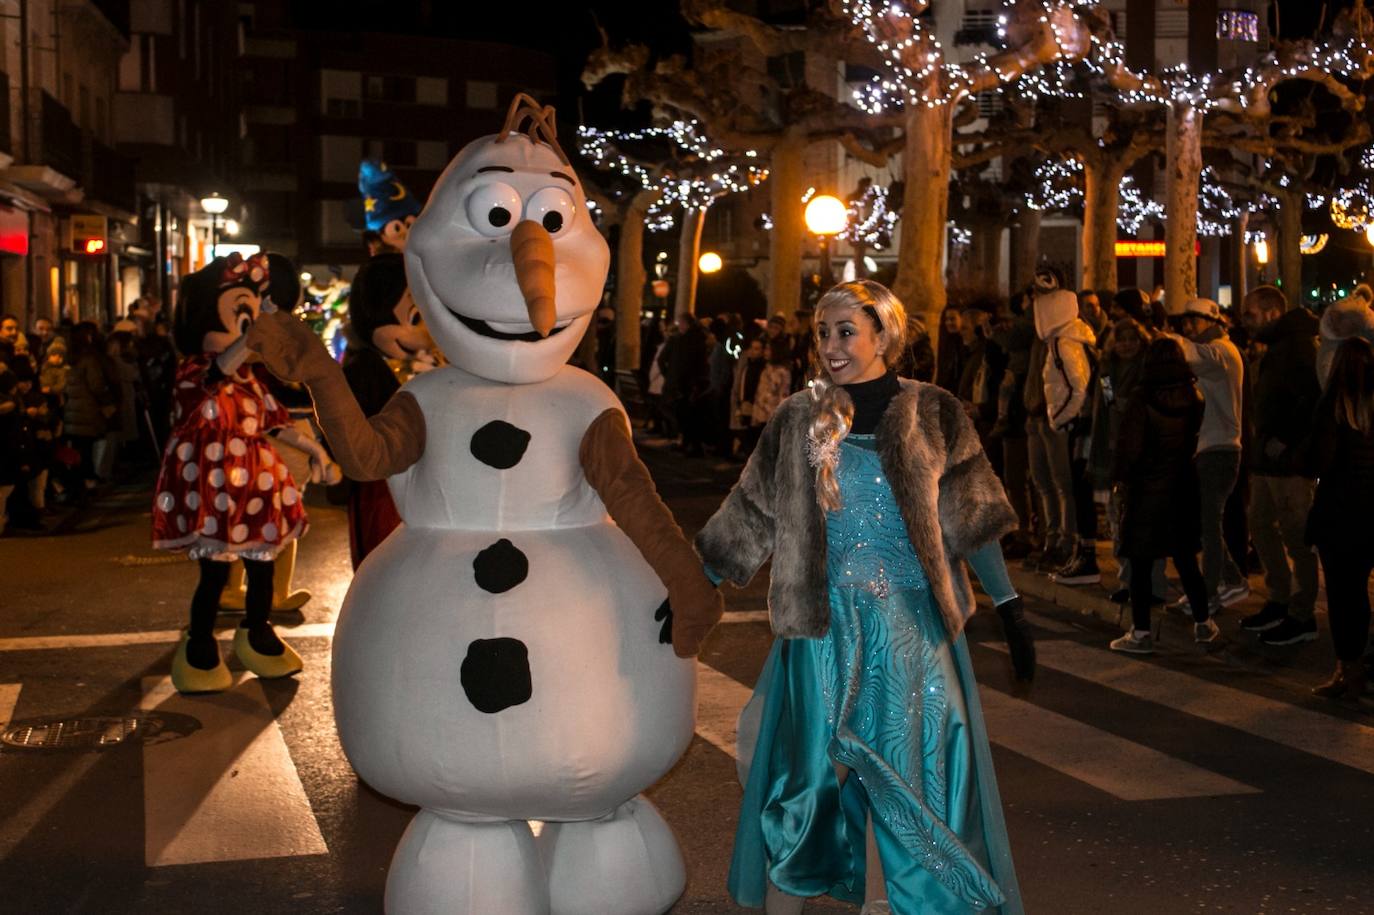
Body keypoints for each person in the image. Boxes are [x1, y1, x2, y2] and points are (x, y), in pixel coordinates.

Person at [697, 279, 1030, 915]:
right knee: (804, 791)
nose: (830, 346)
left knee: (923, 787)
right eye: (823, 333)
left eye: (845, 331)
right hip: (822, 631)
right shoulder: (800, 415)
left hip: (912, 631)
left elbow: (972, 513)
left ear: (885, 336)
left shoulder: (935, 412)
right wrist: (700, 582)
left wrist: (1009, 604)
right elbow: (752, 510)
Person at [153, 253, 330, 694]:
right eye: (238, 314)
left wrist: (315, 452)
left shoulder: (250, 382)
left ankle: (257, 632)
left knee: (262, 568)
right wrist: (254, 335)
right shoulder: (193, 371)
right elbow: (217, 370)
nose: (246, 327)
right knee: (213, 574)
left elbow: (276, 424)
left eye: (248, 314)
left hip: (256, 485)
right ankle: (198, 643)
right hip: (213, 488)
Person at [1108, 337, 1216, 654]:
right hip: (1182, 486)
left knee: (1141, 564)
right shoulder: (1193, 397)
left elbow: (1130, 448)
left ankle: (1140, 632)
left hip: (1147, 489)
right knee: (1186, 560)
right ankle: (1204, 623)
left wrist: (1120, 479)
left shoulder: (1143, 399)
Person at [1235, 286, 1321, 644]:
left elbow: (1311, 400)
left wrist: (1287, 444)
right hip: (1267, 458)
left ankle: (1302, 614)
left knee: (1296, 535)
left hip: (1287, 461)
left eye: (1251, 315)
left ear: (1272, 312)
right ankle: (1279, 597)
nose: (1246, 323)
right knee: (1261, 525)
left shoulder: (1299, 346)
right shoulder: (1279, 347)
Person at [1296, 338, 1374, 698]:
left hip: (1340, 514)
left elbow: (1318, 461)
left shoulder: (1333, 406)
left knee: (1346, 595)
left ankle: (1348, 669)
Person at [1165, 298, 1248, 616]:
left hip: (1220, 449)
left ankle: (1209, 593)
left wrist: (1163, 337)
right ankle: (1229, 580)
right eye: (1186, 323)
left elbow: (1190, 353)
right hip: (1211, 448)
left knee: (1209, 526)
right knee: (1206, 525)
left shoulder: (1222, 352)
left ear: (1212, 322)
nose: (1187, 328)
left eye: (1193, 322)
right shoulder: (1216, 352)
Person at [1030, 285, 1096, 582]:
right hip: (1060, 419)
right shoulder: (1060, 341)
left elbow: (1078, 387)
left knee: (1064, 486)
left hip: (1065, 423)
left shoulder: (1067, 344)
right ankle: (1065, 540)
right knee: (1055, 484)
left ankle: (1071, 542)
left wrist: (1059, 418)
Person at [934, 305, 965, 393]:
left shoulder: (966, 343)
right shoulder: (947, 342)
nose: (948, 322)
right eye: (947, 319)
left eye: (952, 319)